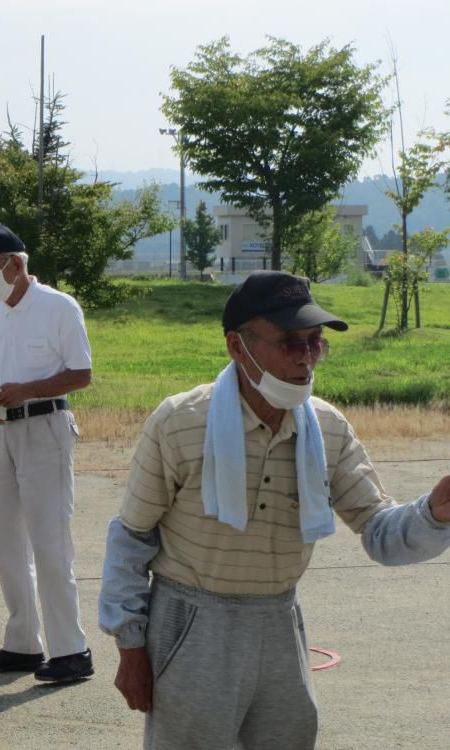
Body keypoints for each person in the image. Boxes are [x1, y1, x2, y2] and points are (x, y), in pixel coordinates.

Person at [98, 271, 450, 749]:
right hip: (192, 625)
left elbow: (380, 532)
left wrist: (434, 514)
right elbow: (132, 539)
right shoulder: (180, 422)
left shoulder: (327, 429)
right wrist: (130, 645)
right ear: (237, 347)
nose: (306, 358)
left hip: (279, 620)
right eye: (289, 342)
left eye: (315, 342)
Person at [0, 223, 95, 683]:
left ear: (17, 264)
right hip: (6, 431)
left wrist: (28, 391)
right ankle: (23, 643)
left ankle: (71, 650)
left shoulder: (59, 307)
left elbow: (81, 374)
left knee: (50, 542)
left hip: (46, 427)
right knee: (8, 543)